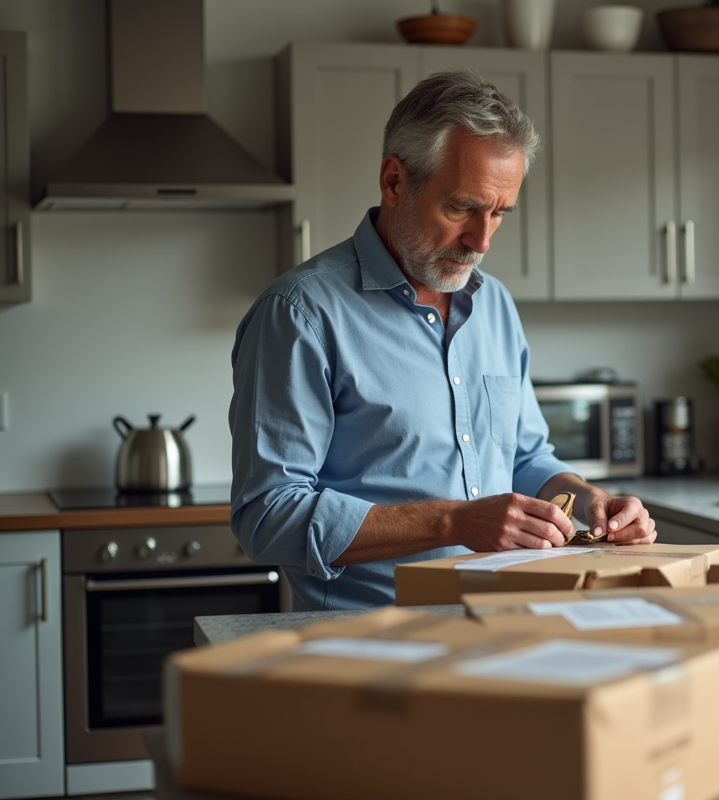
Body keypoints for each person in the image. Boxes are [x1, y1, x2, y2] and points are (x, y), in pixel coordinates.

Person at [228, 70, 656, 611]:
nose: (481, 240)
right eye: (462, 208)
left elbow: (525, 456)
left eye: (499, 213)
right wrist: (452, 521)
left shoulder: (494, 304)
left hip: (505, 625)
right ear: (394, 181)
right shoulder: (300, 314)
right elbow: (267, 517)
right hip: (367, 642)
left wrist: (590, 499)